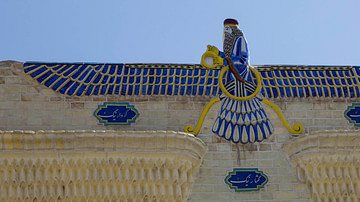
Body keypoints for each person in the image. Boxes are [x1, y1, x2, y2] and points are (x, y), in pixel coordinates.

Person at [209, 18, 274, 143]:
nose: (225, 33)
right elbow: (229, 58)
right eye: (224, 31)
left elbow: (243, 61)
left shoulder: (240, 40)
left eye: (227, 30)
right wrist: (217, 53)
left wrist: (222, 60)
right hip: (231, 85)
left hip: (242, 84)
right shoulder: (230, 44)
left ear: (233, 30)